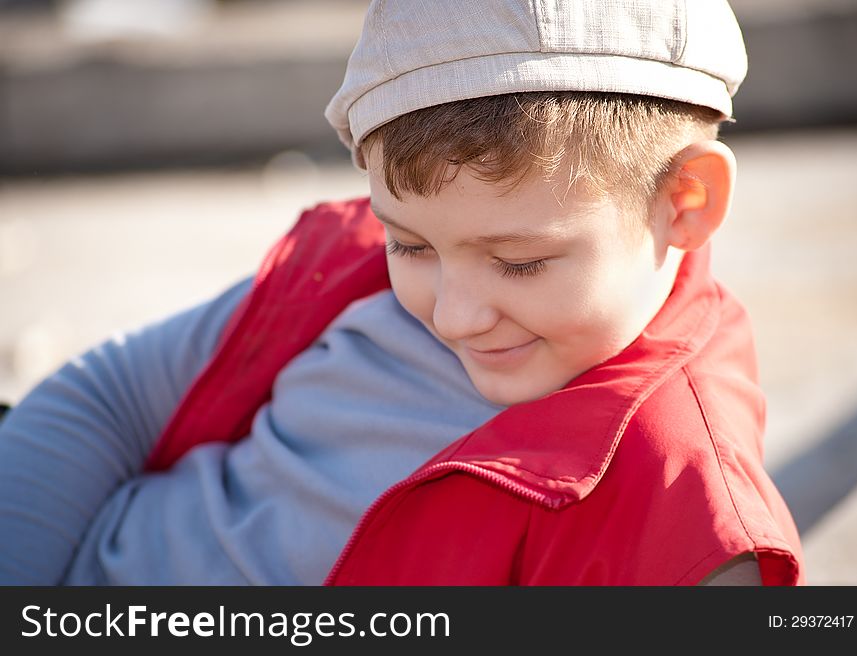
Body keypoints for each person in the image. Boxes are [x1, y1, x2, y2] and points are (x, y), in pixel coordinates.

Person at [0, 0, 804, 585]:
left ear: (684, 201)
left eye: (518, 261)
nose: (453, 316)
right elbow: (103, 401)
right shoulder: (345, 270)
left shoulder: (687, 511)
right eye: (410, 244)